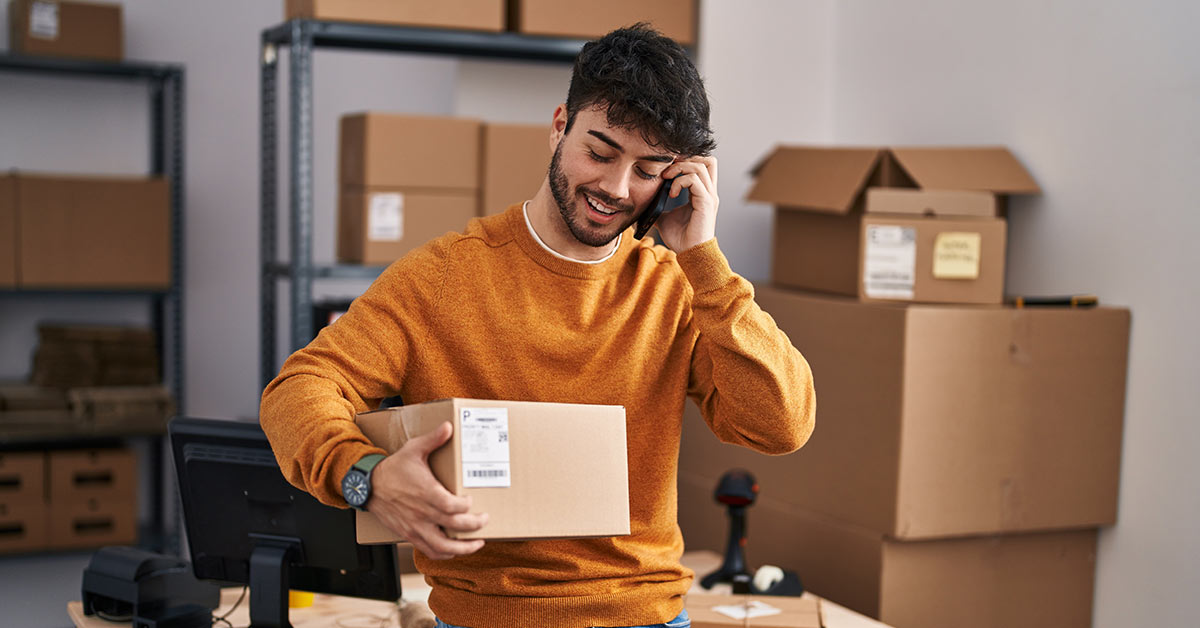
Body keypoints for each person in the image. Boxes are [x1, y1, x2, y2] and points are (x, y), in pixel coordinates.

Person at [260, 24, 815, 628]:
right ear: (559, 126)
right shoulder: (442, 276)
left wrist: (704, 261)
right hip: (483, 617)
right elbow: (299, 389)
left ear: (678, 177)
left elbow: (780, 424)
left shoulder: (678, 285)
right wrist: (365, 475)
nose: (615, 187)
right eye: (599, 153)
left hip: (642, 614)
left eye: (647, 169)